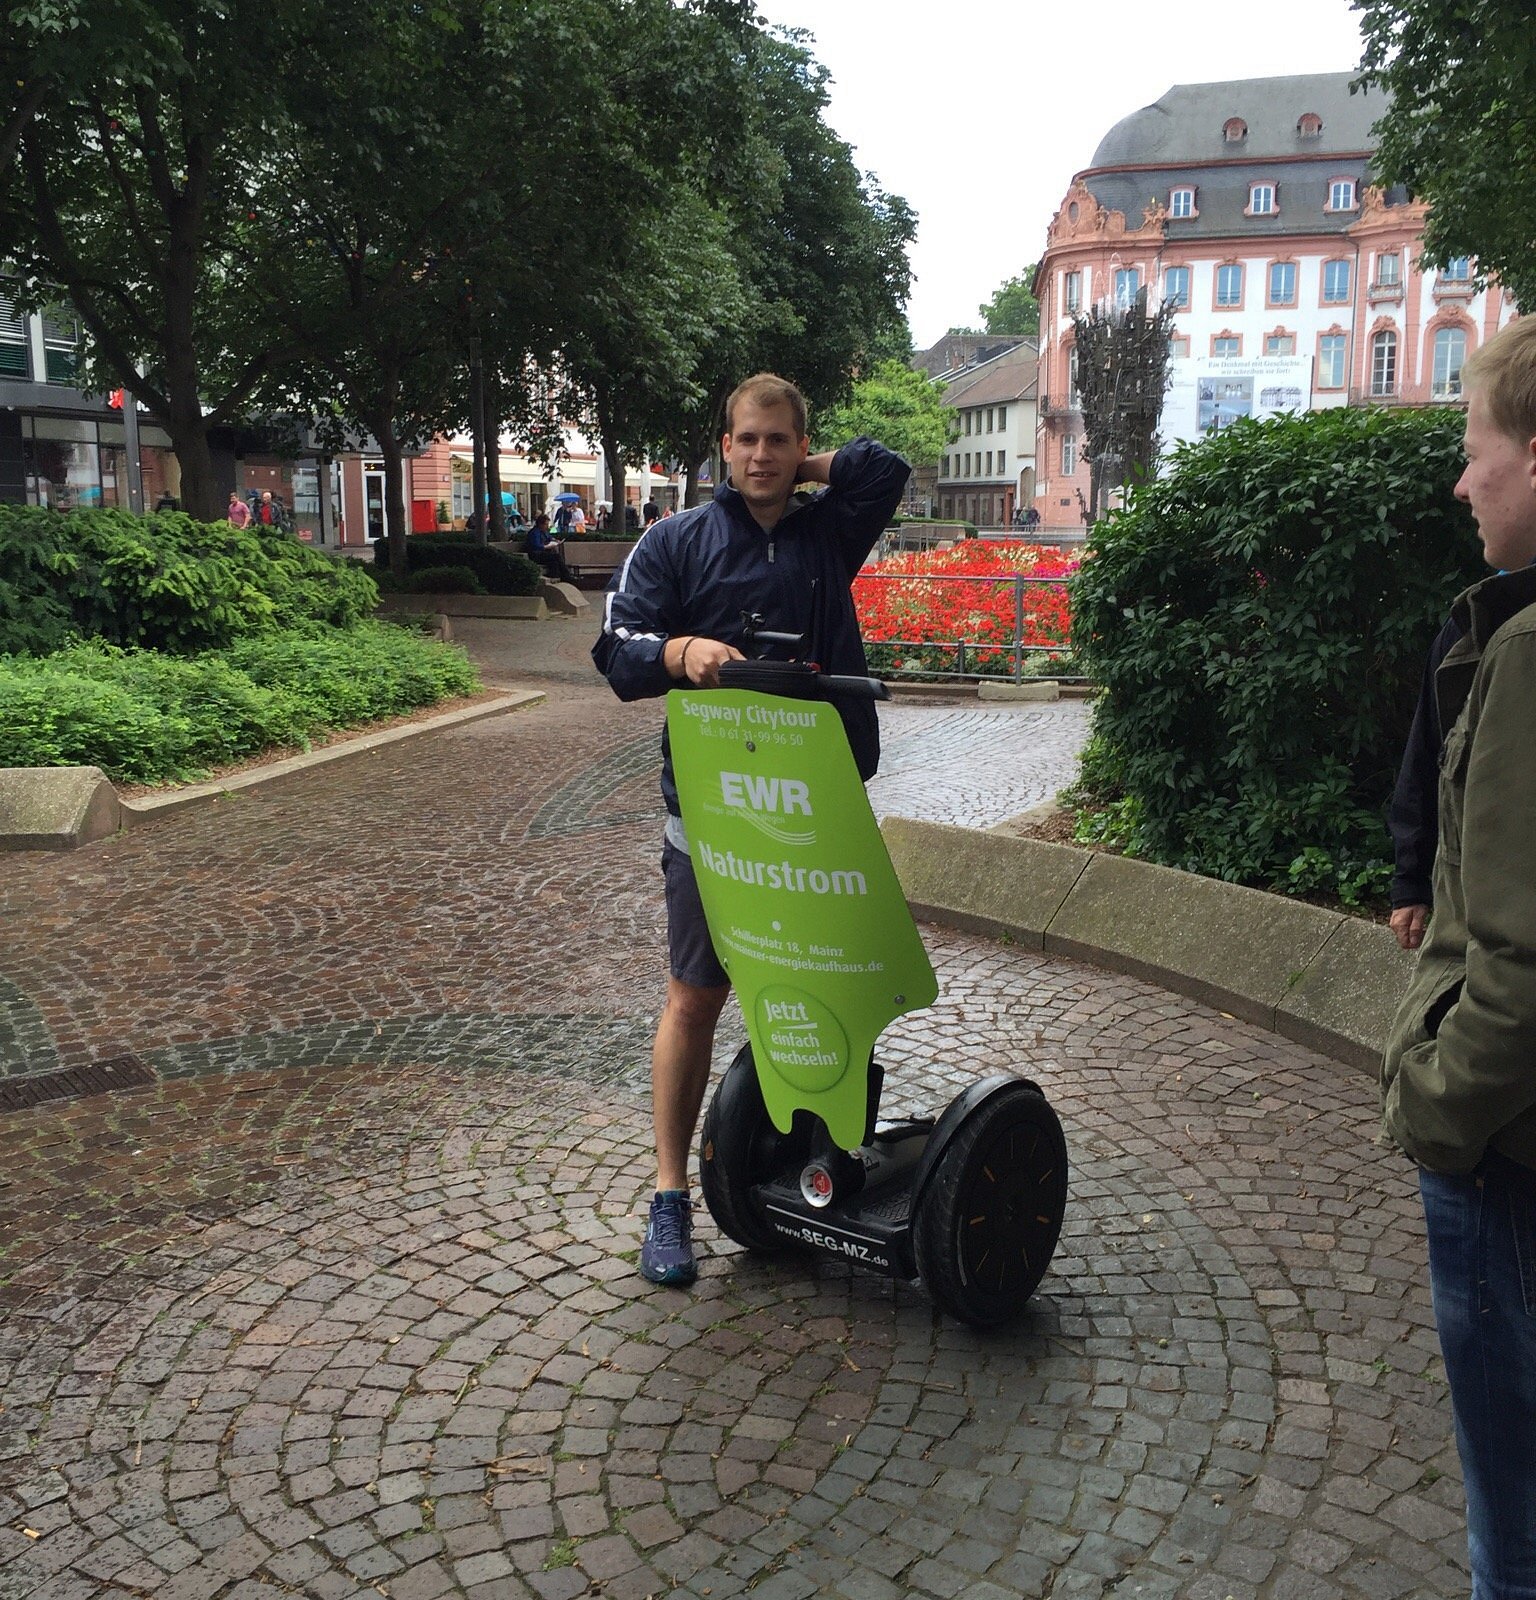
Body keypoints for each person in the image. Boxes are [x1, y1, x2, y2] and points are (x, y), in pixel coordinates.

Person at [592, 371, 909, 1287]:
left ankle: (823, 1161)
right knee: (696, 995)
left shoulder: (827, 531)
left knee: (831, 985)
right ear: (721, 446)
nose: (762, 456)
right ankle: (666, 1198)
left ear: (797, 447)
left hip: (819, 806)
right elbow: (616, 651)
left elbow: (881, 469)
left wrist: (803, 469)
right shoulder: (678, 540)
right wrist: (680, 652)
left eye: (778, 441)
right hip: (714, 810)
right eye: (746, 441)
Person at [1380, 314, 1536, 1599]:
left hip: (1506, 1156)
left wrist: (1439, 1099)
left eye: (1476, 448)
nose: (1461, 479)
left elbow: (1520, 966)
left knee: (1511, 1533)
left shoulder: (1529, 650)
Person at [524, 510, 574, 584]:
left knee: (554, 560)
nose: (547, 526)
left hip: (544, 554)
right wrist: (547, 546)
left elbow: (549, 538)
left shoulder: (544, 532)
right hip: (536, 555)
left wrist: (555, 541)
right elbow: (536, 546)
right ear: (540, 524)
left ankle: (559, 577)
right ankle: (566, 577)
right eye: (546, 524)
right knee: (555, 557)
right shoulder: (534, 533)